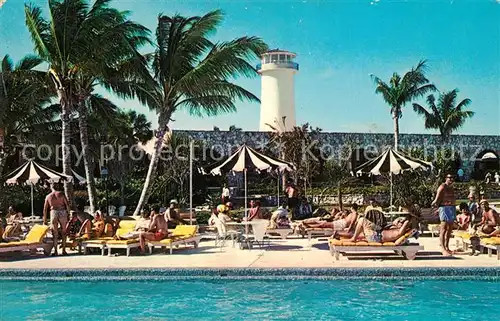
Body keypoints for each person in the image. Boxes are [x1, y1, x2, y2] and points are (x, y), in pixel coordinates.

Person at [431, 174, 456, 256]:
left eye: (452, 178)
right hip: (444, 208)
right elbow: (437, 198)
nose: (451, 179)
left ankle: (447, 246)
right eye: (449, 178)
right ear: (446, 178)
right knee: (444, 229)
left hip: (451, 208)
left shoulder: (451, 187)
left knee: (449, 229)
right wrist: (436, 206)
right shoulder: (442, 186)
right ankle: (443, 248)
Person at [43, 182, 70, 256]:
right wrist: (68, 214)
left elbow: (45, 209)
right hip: (62, 212)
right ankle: (64, 251)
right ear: (57, 187)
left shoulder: (48, 196)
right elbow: (67, 205)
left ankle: (55, 251)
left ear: (51, 187)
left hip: (53, 212)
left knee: (55, 233)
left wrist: (44, 220)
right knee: (64, 232)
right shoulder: (61, 194)